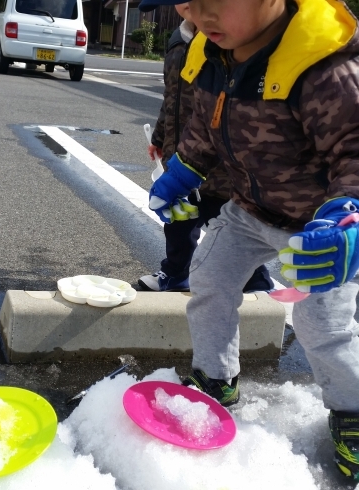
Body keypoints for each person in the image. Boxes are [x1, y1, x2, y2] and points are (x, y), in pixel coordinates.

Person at [139, 0, 359, 480]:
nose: (200, 14)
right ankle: (216, 378)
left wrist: (349, 219)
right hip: (249, 210)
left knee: (323, 326)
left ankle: (353, 411)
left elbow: (354, 150)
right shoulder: (211, 53)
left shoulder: (320, 66)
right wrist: (181, 172)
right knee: (211, 276)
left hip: (320, 228)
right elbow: (203, 128)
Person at [138, 3, 273, 294]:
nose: (190, 6)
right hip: (182, 157)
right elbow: (170, 100)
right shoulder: (178, 42)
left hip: (222, 167)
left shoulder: (233, 45)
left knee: (225, 225)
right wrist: (159, 138)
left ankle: (256, 281)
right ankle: (175, 273)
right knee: (177, 225)